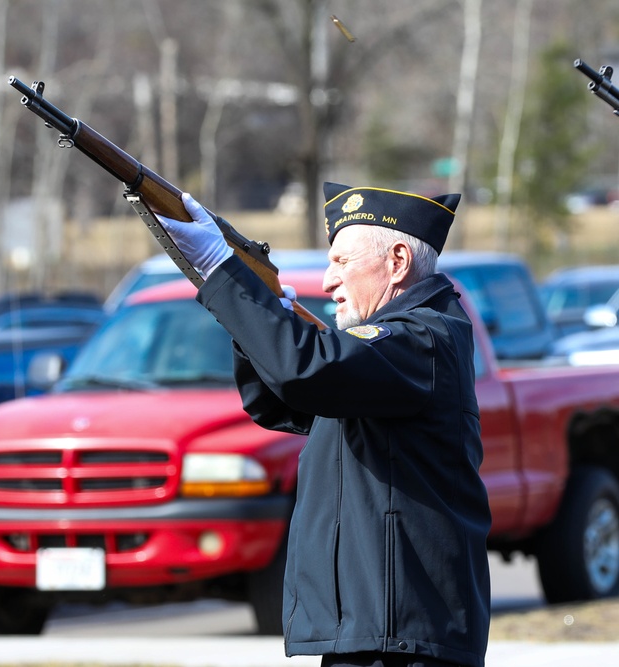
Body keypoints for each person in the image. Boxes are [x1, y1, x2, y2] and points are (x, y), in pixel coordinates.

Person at [155, 183, 491, 667]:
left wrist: (225, 274)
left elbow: (306, 371)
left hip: (405, 639)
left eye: (342, 263)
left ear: (397, 262)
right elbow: (276, 401)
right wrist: (265, 310)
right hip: (370, 632)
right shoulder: (385, 350)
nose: (328, 281)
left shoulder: (422, 337)